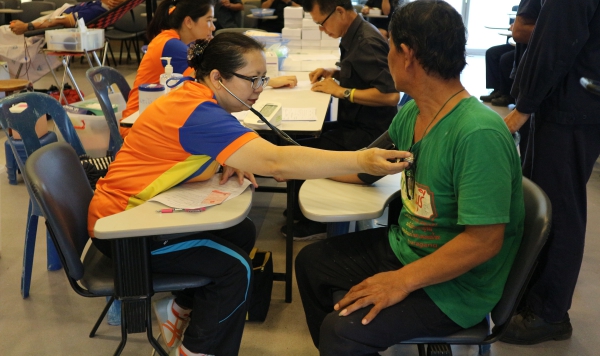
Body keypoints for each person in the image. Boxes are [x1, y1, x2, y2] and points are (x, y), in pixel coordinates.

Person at [88, 32, 408, 356]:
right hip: (123, 229)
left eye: (263, 79)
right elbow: (277, 162)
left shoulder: (194, 94)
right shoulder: (199, 113)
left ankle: (181, 308)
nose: (260, 88)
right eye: (253, 79)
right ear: (217, 77)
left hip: (132, 213)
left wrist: (226, 158)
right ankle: (198, 350)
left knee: (240, 231)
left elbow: (183, 151)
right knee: (235, 268)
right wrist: (360, 160)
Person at [295, 0, 525, 355]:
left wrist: (400, 281)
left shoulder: (478, 134)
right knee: (312, 264)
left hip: (457, 285)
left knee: (342, 332)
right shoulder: (413, 112)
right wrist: (299, 164)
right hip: (407, 248)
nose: (387, 55)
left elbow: (483, 242)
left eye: (389, 46)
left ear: (406, 54)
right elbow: (365, 167)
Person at [501, 0, 600, 345]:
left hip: (570, 102)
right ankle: (533, 295)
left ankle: (548, 311)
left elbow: (561, 28)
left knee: (558, 206)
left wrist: (525, 104)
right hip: (579, 96)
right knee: (556, 200)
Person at [283, 0, 399, 241]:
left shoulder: (366, 41)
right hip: (356, 122)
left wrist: (342, 91)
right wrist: (335, 72)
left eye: (322, 23)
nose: (322, 29)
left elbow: (391, 95)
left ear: (339, 11)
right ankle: (299, 209)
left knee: (302, 152)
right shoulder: (354, 33)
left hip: (371, 133)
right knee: (303, 141)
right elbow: (361, 72)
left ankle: (314, 221)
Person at [119, 0, 297, 138]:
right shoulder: (172, 46)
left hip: (149, 119)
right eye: (209, 21)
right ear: (189, 22)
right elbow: (216, 75)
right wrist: (267, 81)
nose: (213, 27)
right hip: (136, 125)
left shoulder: (177, 41)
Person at [0, 0, 145, 81]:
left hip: (47, 29)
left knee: (3, 34)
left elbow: (62, 21)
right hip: (52, 20)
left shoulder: (97, 11)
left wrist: (27, 26)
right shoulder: (110, 7)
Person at [480, 0, 550, 108]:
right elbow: (520, 31)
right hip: (523, 44)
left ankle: (507, 94)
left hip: (532, 48)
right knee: (492, 53)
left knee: (505, 59)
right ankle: (497, 90)